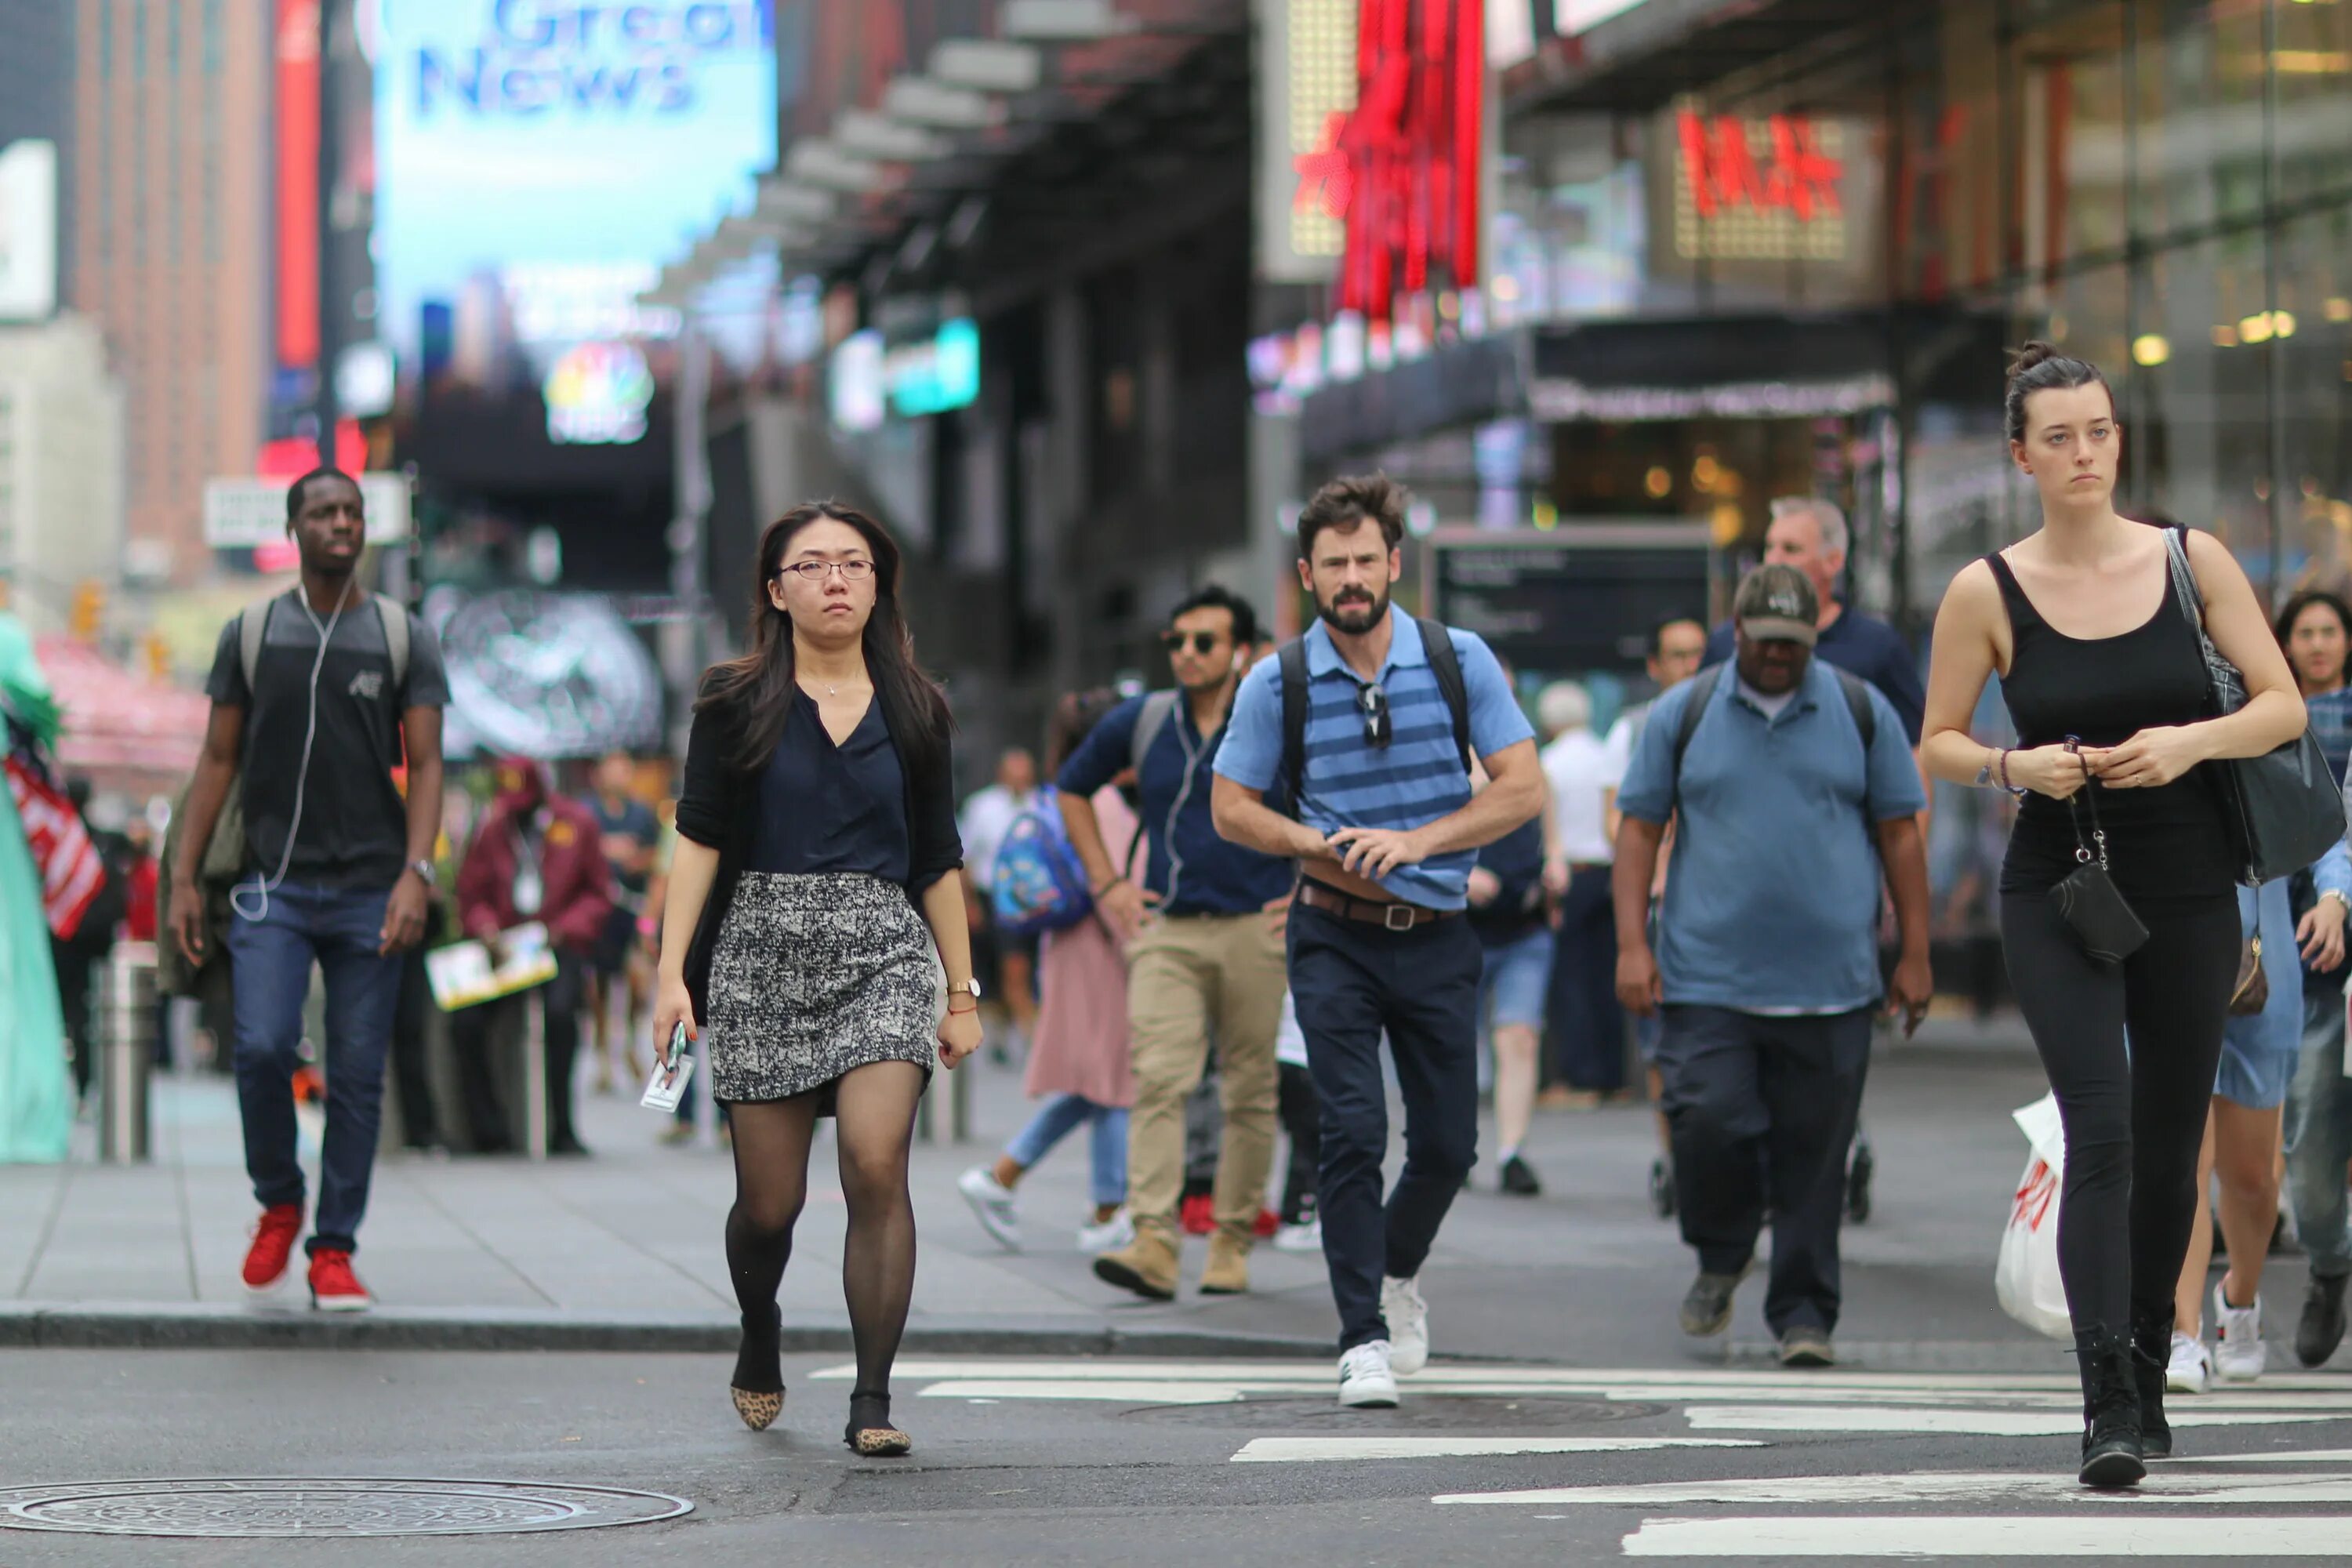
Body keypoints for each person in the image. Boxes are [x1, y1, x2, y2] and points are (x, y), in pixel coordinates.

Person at [1918, 343, 2305, 1486]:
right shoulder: (1986, 588)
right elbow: (1936, 741)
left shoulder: (2193, 559)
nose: (2084, 453)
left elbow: (2280, 704)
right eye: (2059, 437)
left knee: (2171, 1139)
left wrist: (2190, 739)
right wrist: (2009, 767)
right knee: (2104, 1127)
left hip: (2191, 882)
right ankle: (2106, 1405)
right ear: (2021, 455)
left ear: (2117, 440)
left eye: (2099, 431)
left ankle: (2149, 1351)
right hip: (2058, 883)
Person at [652, 502, 981, 1457]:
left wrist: (959, 992)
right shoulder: (732, 699)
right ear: (776, 589)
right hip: (759, 951)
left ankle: (871, 1396)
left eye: (854, 563)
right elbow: (699, 837)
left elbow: (939, 859)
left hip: (882, 948)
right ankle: (760, 1327)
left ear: (878, 583)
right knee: (770, 1206)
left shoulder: (918, 706)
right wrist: (673, 975)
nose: (836, 579)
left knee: (878, 1163)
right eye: (813, 564)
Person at [1210, 472, 1543, 1409]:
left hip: (1438, 931)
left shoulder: (1458, 657)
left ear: (1395, 563)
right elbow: (1230, 807)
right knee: (1350, 1128)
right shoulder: (1278, 680)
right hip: (1333, 935)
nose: (1352, 576)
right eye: (1333, 564)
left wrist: (1420, 841)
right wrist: (1310, 840)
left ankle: (1395, 1272)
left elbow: (1523, 787)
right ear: (1308, 576)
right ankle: (1361, 1335)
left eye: (1366, 559)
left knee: (1449, 1144)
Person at [1613, 564, 1932, 1372]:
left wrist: (1918, 954)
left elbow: (1901, 831)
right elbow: (1640, 829)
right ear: (1738, 632)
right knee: (1707, 1119)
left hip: (1833, 983)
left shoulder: (1861, 710)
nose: (1781, 657)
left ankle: (1803, 1313)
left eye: (1796, 643)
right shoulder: (1683, 712)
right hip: (1704, 978)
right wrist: (1631, 944)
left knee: (1816, 1158)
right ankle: (1722, 1252)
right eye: (1767, 642)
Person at [169, 466, 449, 1312]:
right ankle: (279, 1197)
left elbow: (430, 761)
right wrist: (183, 876)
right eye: (324, 511)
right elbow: (217, 758)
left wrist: (417, 870)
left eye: (353, 511)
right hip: (271, 888)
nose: (341, 522)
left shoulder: (404, 637)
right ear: (294, 528)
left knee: (358, 1073)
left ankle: (334, 1246)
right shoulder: (251, 633)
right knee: (258, 1045)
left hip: (373, 889)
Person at [1058, 585, 1293, 1301]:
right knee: (1160, 1079)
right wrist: (1107, 884)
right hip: (1168, 931)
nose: (1187, 655)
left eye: (1205, 642)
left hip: (1258, 928)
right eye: (1177, 642)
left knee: (1251, 1091)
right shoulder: (1145, 719)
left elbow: (1330, 800)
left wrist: (1308, 887)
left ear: (1241, 651)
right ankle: (1154, 1243)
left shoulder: (1277, 718)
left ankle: (1229, 1240)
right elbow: (1071, 788)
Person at [959, 688, 1139, 1255]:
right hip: (1104, 952)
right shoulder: (1106, 800)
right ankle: (1105, 1209)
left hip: (1071, 948)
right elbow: (1113, 888)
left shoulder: (1067, 792)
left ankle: (1003, 1178)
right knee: (1110, 1081)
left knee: (1098, 1083)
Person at [2168, 863, 2344, 1391]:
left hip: (2263, 971)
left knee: (2251, 1179)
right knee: (2184, 1161)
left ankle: (2239, 1298)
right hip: (2170, 953)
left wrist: (2335, 897)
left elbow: (2323, 822)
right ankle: (2184, 1334)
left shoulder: (2269, 772)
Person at [451, 757, 614, 1156]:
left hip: (557, 944)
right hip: (507, 949)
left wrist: (564, 930)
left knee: (561, 1015)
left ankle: (563, 1127)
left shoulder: (577, 824)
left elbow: (598, 894)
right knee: (465, 1021)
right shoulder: (493, 828)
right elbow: (471, 895)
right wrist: (486, 928)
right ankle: (489, 1130)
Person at [1600, 614, 1709, 1213]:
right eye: (1677, 655)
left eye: (1698, 653)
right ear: (1655, 666)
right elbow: (1616, 821)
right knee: (1661, 1044)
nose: (1689, 666)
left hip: (1713, 905)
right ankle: (1675, 1156)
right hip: (1663, 903)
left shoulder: (1724, 718)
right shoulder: (1635, 730)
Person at [2271, 590, 2352, 1369]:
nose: (2321, 643)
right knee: (2313, 1140)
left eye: (2333, 631)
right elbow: (2339, 826)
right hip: (2312, 955)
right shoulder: (2270, 714)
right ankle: (2330, 1265)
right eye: (2308, 630)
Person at [1704, 496, 1926, 745]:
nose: (1773, 560)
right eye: (1769, 547)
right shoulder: (1727, 642)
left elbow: (1913, 750)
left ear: (1833, 561)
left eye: (1791, 549)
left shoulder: (1878, 647)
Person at [0, 613, 73, 1163]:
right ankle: (24, 1114)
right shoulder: (8, 637)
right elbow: (46, 704)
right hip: (9, 831)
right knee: (18, 965)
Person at [1536, 681, 1622, 1106]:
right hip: (1610, 873)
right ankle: (1615, 1076)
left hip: (1570, 876)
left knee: (1571, 980)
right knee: (1607, 976)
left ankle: (1579, 1078)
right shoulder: (1605, 754)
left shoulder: (1548, 763)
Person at [1469, 761, 1551, 1196]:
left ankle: (1511, 1151)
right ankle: (1456, 1144)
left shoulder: (1529, 765)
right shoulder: (1443, 755)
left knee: (1519, 1037)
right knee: (1456, 1042)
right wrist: (1458, 874)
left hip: (1524, 928)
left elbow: (1549, 821)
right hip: (1461, 930)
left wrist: (1555, 865)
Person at [585, 750, 661, 1091]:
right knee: (598, 984)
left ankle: (631, 1039)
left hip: (634, 908)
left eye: (624, 770)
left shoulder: (643, 814)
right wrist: (604, 852)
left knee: (637, 981)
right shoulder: (587, 813)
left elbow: (657, 856)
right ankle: (603, 1051)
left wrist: (636, 859)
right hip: (600, 910)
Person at [960, 747, 1042, 1057]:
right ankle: (1017, 1030)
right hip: (994, 897)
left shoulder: (1041, 804)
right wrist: (969, 904)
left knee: (1022, 967)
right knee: (1004, 966)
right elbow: (966, 859)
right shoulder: (983, 807)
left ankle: (1023, 1027)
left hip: (1035, 900)